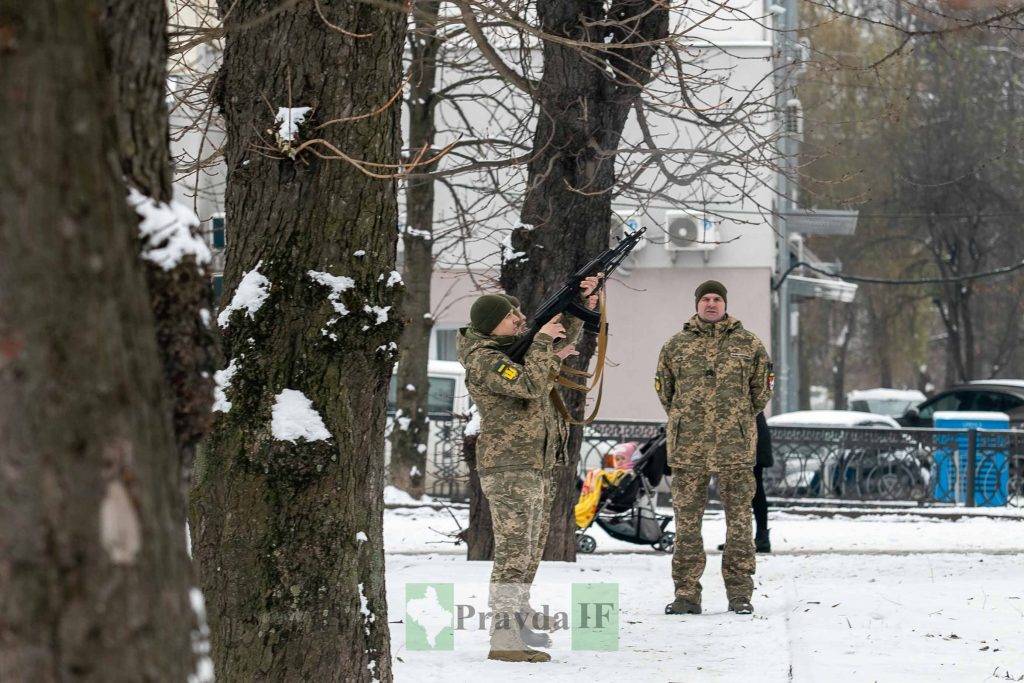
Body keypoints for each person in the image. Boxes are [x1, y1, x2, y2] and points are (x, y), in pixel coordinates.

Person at [456, 277, 599, 662]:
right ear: (492, 324)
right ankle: (503, 641)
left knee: (531, 551)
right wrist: (541, 344)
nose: (521, 319)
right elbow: (531, 385)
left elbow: (554, 337)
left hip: (535, 462)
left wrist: (580, 302)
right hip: (509, 465)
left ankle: (516, 625)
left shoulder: (510, 348)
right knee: (514, 553)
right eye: (511, 315)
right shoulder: (485, 359)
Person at [655, 280, 772, 616]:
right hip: (688, 447)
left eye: (716, 299)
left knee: (739, 522)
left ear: (725, 304)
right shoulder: (676, 346)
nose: (710, 304)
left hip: (734, 447)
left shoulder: (748, 344)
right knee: (687, 523)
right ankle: (686, 594)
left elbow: (760, 393)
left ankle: (739, 594)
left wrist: (734, 418)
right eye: (705, 298)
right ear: (696, 304)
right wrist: (687, 419)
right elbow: (666, 391)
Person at [718, 411, 773, 553]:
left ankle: (754, 537)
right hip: (745, 434)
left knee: (751, 490)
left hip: (748, 436)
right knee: (746, 490)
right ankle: (745, 537)